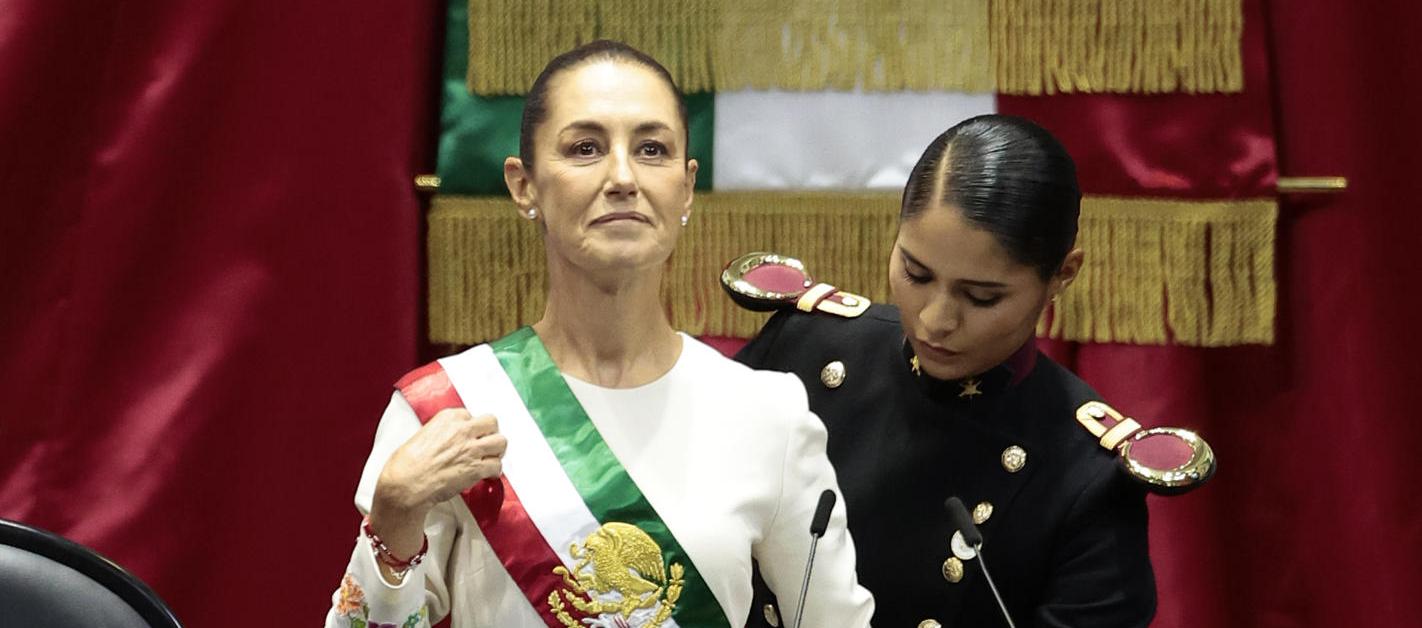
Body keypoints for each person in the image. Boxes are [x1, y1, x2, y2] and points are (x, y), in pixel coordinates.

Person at [324, 40, 874, 628]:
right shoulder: (445, 409)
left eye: (652, 149)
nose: (622, 176)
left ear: (686, 187)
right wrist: (395, 517)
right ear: (523, 184)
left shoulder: (769, 414)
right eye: (585, 148)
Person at [735, 115, 1162, 628]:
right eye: (916, 273)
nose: (936, 320)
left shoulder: (1086, 476)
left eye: (981, 297)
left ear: (1062, 276)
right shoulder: (804, 350)